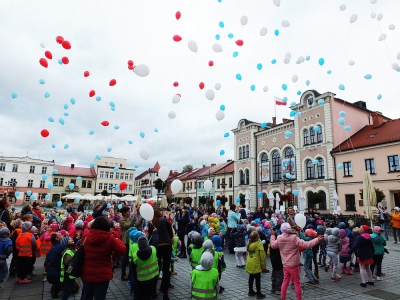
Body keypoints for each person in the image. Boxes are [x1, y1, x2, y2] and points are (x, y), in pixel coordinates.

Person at [270, 222, 322, 300]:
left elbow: (273, 245)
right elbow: (307, 245)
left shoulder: (280, 237)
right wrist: (317, 239)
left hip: (285, 264)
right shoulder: (294, 237)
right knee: (297, 283)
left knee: (285, 281)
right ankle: (299, 298)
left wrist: (272, 236)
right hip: (294, 264)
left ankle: (282, 297)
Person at [80, 216, 126, 300]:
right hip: (103, 273)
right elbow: (122, 250)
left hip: (87, 272)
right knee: (100, 297)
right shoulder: (110, 238)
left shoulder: (86, 236)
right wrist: (117, 239)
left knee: (87, 295)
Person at [149, 210, 173, 300]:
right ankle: (164, 291)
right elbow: (170, 233)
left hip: (157, 245)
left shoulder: (152, 222)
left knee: (156, 267)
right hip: (167, 244)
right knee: (166, 269)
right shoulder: (164, 219)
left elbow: (151, 236)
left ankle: (153, 291)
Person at [133, 232, 159, 300]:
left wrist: (135, 276)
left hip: (140, 279)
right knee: (147, 295)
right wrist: (155, 234)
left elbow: (133, 268)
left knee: (138, 295)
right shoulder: (153, 249)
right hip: (152, 277)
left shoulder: (135, 255)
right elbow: (155, 243)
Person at [119, 206, 139, 281]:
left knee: (129, 256)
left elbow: (134, 225)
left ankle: (130, 273)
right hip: (126, 240)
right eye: (127, 211)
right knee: (126, 257)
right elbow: (129, 226)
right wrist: (134, 219)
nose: (129, 212)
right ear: (124, 213)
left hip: (131, 239)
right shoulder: (122, 220)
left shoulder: (129, 219)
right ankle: (123, 274)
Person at [245, 231, 266, 298]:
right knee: (257, 278)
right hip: (256, 263)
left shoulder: (249, 243)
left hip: (250, 262)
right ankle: (259, 293)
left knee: (251, 277)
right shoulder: (259, 244)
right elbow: (262, 256)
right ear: (258, 237)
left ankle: (250, 290)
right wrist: (264, 265)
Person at [269, 229, 283, 296]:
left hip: (273, 261)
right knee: (279, 276)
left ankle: (273, 287)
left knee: (274, 275)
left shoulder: (271, 244)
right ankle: (278, 289)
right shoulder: (279, 244)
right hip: (279, 261)